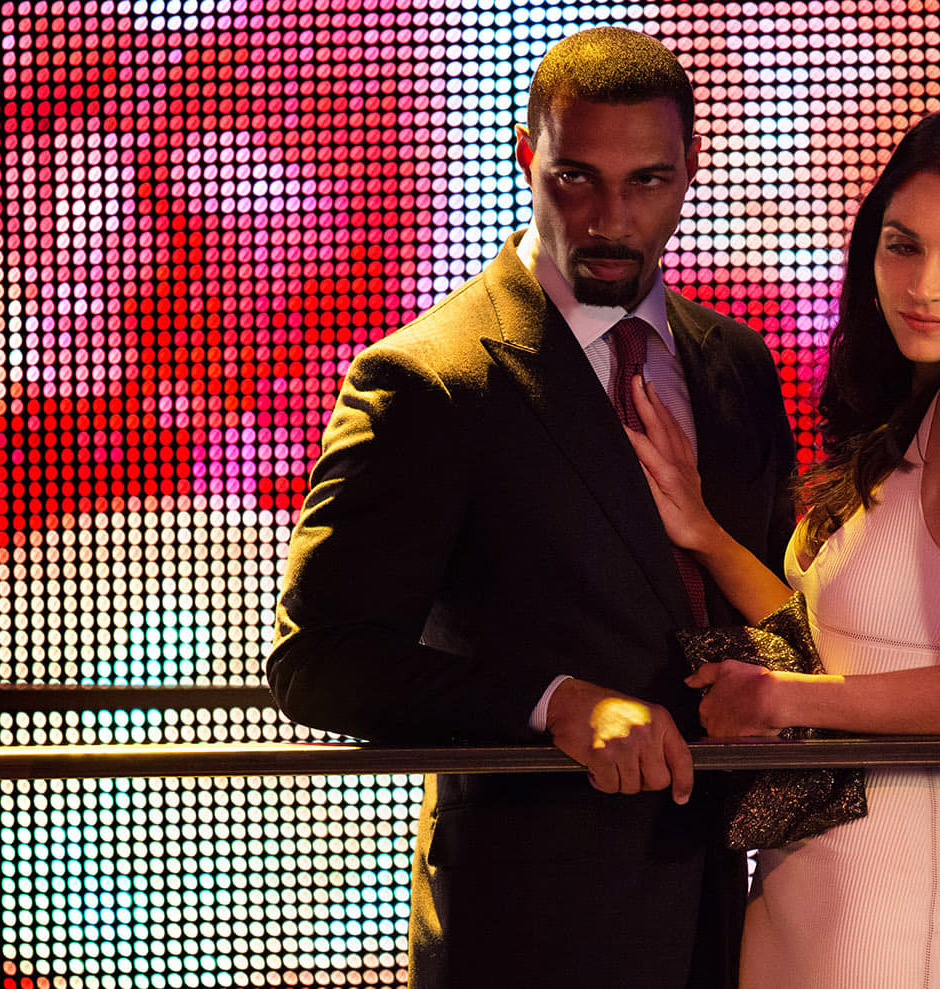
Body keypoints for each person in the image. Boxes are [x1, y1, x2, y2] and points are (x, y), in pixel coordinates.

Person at [266, 27, 798, 989]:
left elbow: (774, 611)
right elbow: (319, 661)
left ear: (691, 169)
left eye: (647, 181)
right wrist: (552, 702)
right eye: (576, 178)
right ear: (525, 156)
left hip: (725, 923)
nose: (610, 219)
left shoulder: (737, 364)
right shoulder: (428, 378)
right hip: (526, 934)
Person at [626, 108, 940, 987]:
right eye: (903, 246)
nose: (925, 285)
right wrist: (702, 529)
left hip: (896, 882)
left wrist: (781, 696)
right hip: (806, 874)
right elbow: (833, 639)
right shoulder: (923, 407)